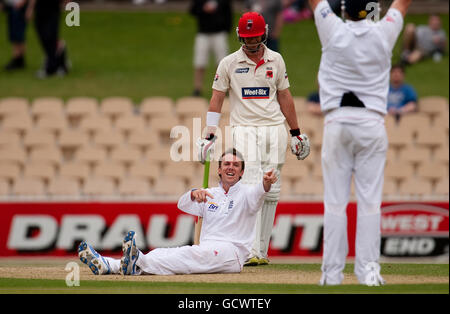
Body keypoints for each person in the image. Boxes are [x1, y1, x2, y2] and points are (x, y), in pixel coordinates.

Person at [308, 0, 411, 285]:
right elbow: (402, 4)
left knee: (335, 204)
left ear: (344, 10)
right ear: (372, 9)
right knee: (369, 203)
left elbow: (315, 2)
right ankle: (368, 273)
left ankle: (331, 276)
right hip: (372, 124)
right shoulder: (384, 32)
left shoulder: (333, 29)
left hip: (337, 123)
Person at [196, 12, 310, 266]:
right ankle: (249, 250)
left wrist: (295, 131)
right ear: (239, 36)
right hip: (244, 127)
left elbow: (284, 96)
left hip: (274, 128)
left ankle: (261, 250)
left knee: (272, 188)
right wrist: (209, 131)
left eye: (255, 37)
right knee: (251, 184)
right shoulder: (228, 62)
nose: (250, 42)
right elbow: (217, 97)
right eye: (247, 38)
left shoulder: (276, 60)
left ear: (264, 33)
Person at [78, 149, 278, 275]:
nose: (231, 167)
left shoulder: (248, 193)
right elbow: (181, 205)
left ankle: (135, 260)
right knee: (172, 253)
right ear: (219, 169)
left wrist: (265, 183)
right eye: (226, 164)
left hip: (232, 252)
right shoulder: (209, 194)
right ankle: (109, 265)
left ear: (242, 172)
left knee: (187, 255)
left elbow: (260, 192)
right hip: (207, 248)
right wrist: (192, 194)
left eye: (236, 165)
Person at [190, 0, 232, 96]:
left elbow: (228, 13)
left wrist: (227, 29)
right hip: (203, 33)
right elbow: (192, 11)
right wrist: (203, 9)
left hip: (220, 33)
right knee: (200, 62)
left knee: (222, 63)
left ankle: (222, 88)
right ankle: (197, 88)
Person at [27, 0, 70, 78]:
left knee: (50, 36)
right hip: (40, 9)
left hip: (53, 8)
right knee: (43, 37)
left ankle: (51, 68)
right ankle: (61, 64)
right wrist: (30, 8)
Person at [2, 0, 31, 71]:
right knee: (13, 33)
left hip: (19, 6)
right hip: (12, 6)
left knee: (18, 33)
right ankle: (18, 58)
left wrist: (22, 3)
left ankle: (18, 58)